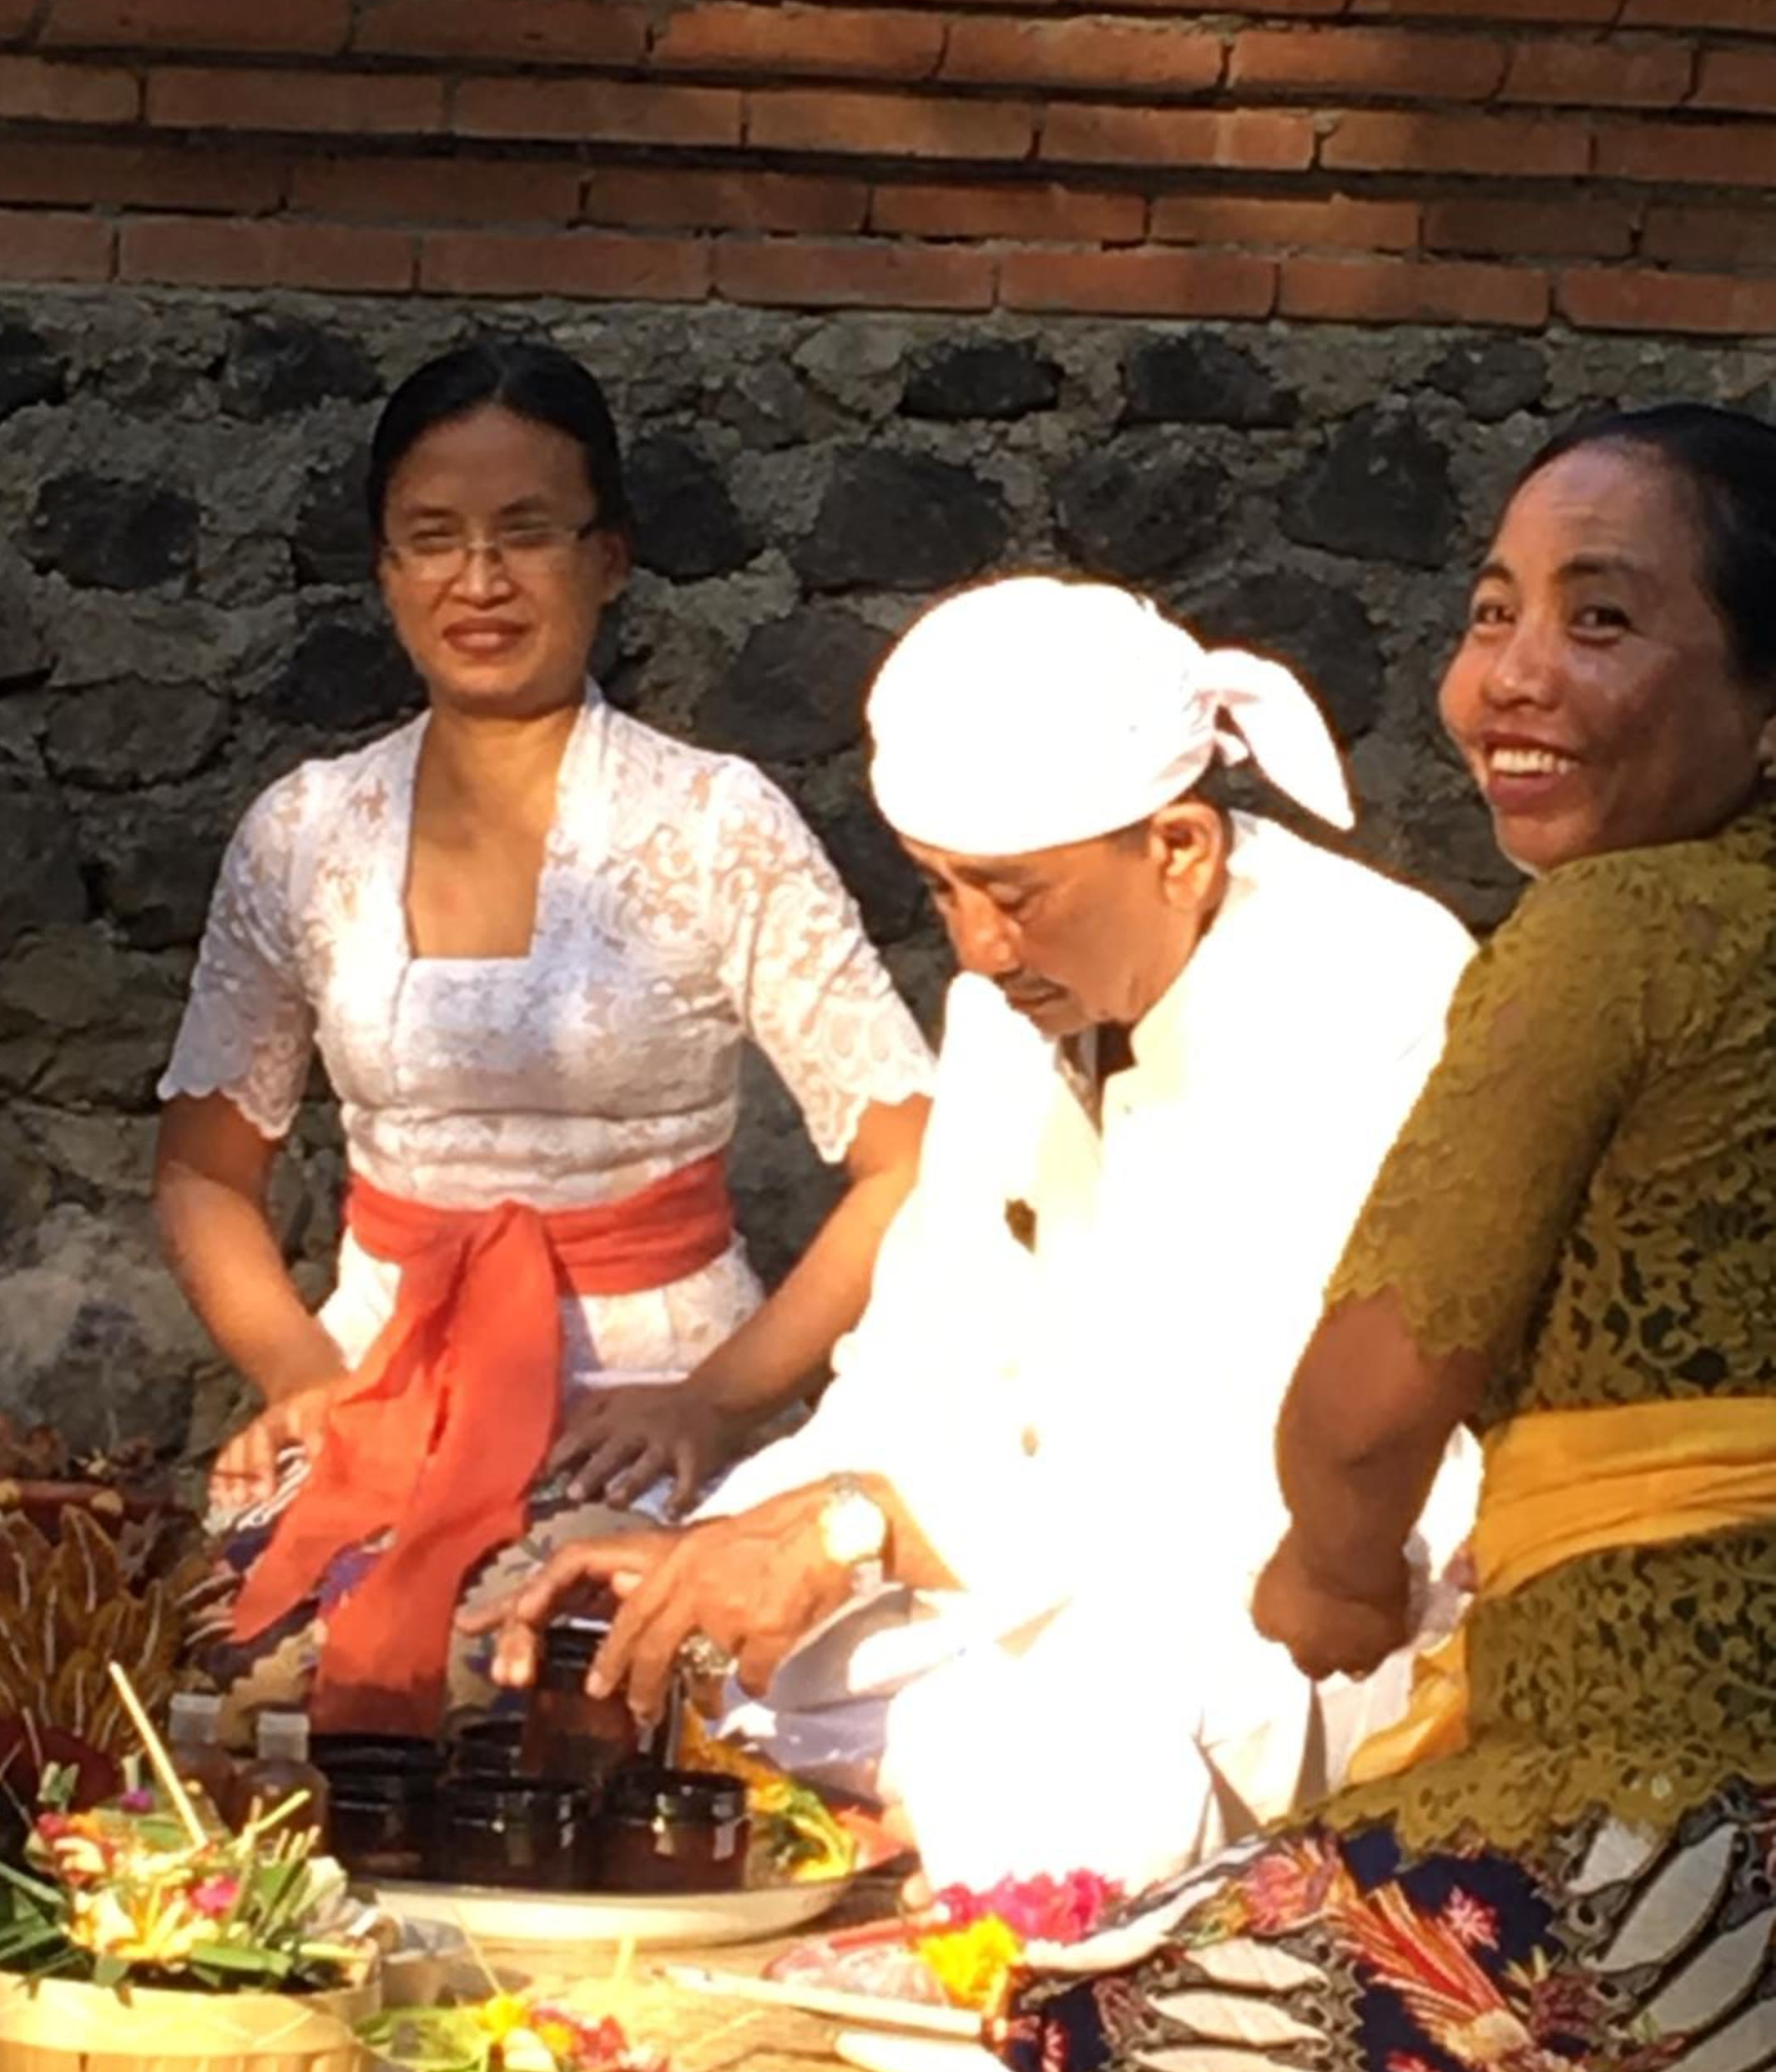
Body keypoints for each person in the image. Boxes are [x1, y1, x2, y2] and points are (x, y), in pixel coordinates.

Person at [995, 406, 1776, 2072]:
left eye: (1600, 622)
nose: (1512, 676)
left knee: (1087, 2049)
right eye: (1495, 611)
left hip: (1693, 1857)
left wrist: (1333, 1570)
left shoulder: (1612, 934)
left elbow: (1368, 1400)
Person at [474, 574, 1478, 1892]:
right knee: (678, 1657)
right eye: (942, 891)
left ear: (1178, 849)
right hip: (1022, 1557)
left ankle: (977, 1864)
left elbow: (1254, 1461)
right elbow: (914, 1363)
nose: (980, 947)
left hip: (1282, 1588)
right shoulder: (1009, 1013)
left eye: (1013, 895)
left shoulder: (1365, 991)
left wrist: (853, 1535)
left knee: (1057, 1773)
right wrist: (721, 1546)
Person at [154, 340, 932, 1733]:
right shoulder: (306, 832)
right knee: (227, 1683)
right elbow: (206, 1170)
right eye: (433, 538)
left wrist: (716, 1400)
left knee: (548, 1691)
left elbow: (911, 1162)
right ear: (384, 567)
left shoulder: (714, 823)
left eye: (525, 534)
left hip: (641, 1403)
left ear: (607, 557)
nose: (480, 581)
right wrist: (302, 1378)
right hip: (378, 1382)